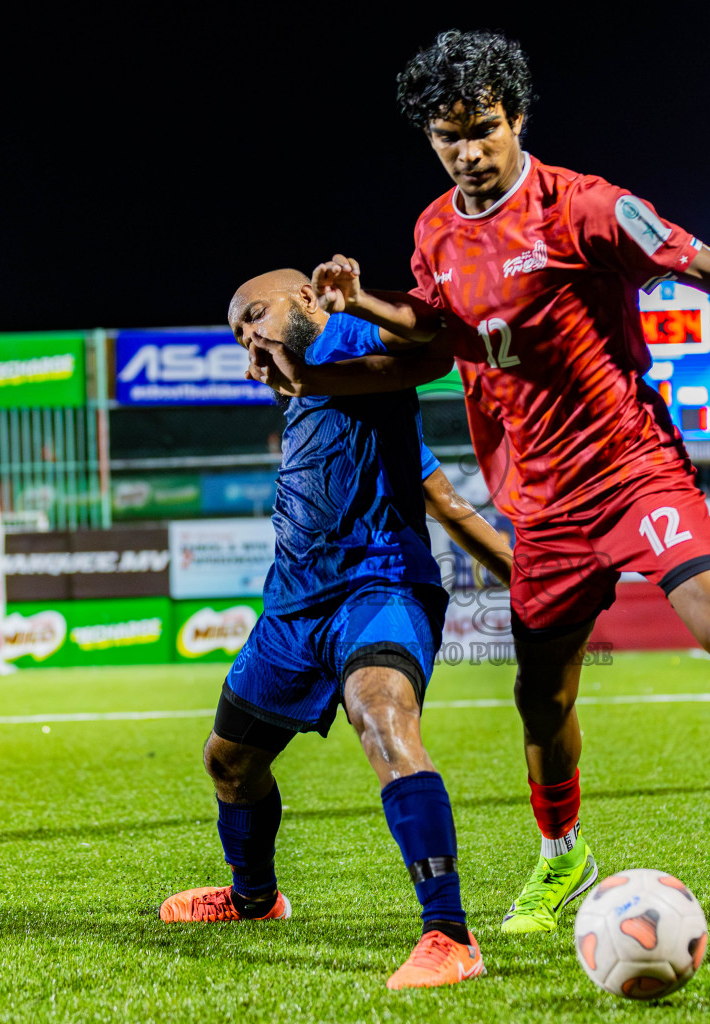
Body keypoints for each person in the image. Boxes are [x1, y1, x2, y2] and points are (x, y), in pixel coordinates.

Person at [249, 30, 710, 937]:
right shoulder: (434, 232)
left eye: (483, 129)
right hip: (545, 506)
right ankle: (563, 862)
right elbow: (434, 340)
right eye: (449, 137)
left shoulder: (587, 209)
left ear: (516, 116)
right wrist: (358, 305)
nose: (469, 152)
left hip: (637, 473)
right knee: (541, 699)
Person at [161, 269, 513, 990]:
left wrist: (534, 580)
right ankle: (253, 899)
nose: (247, 337)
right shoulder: (303, 391)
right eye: (237, 333)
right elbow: (437, 491)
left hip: (379, 587)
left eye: (253, 314)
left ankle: (449, 934)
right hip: (293, 607)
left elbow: (433, 341)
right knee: (228, 762)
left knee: (382, 719)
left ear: (304, 299)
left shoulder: (343, 333)